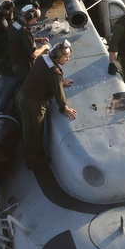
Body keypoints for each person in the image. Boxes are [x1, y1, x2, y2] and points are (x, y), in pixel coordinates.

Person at [17, 40, 77, 168]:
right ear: (56, 56)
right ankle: (33, 162)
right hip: (33, 104)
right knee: (34, 133)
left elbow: (45, 78)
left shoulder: (43, 58)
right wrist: (64, 108)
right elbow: (58, 93)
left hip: (23, 95)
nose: (68, 59)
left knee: (27, 128)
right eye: (65, 56)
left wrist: (60, 82)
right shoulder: (54, 72)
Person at [8, 4, 50, 88]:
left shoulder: (14, 24)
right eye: (35, 19)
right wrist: (44, 47)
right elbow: (34, 54)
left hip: (15, 62)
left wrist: (35, 40)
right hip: (24, 67)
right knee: (28, 86)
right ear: (29, 17)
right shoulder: (25, 32)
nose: (35, 21)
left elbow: (19, 40)